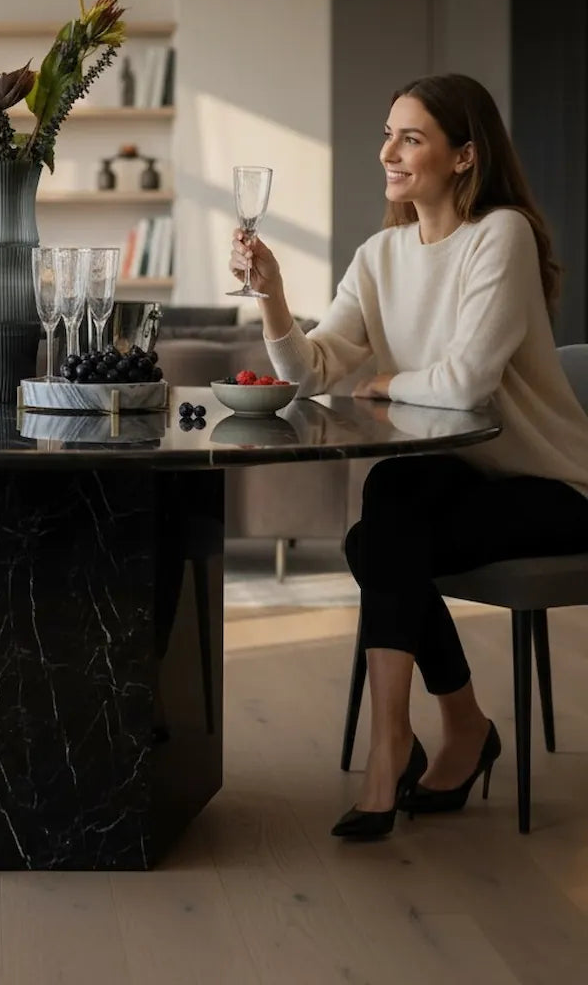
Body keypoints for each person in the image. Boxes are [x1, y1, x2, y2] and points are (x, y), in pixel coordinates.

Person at [230, 73, 588, 841]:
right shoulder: (380, 254)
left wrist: (388, 380)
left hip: (552, 489)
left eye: (411, 137)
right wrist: (272, 297)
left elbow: (463, 387)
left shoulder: (501, 235)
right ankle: (430, 735)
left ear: (464, 156)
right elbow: (315, 368)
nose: (388, 152)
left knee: (379, 534)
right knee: (391, 505)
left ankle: (412, 744)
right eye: (389, 133)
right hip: (458, 485)